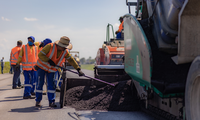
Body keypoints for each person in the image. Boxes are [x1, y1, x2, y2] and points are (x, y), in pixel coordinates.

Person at [34, 36, 85, 107]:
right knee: (40, 84)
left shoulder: (65, 51)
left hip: (51, 70)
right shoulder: (49, 46)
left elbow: (71, 60)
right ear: (59, 45)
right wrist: (48, 60)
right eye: (64, 47)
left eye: (66, 47)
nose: (65, 48)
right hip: (41, 67)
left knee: (51, 86)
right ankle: (38, 101)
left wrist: (78, 69)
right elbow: (40, 55)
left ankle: (51, 102)